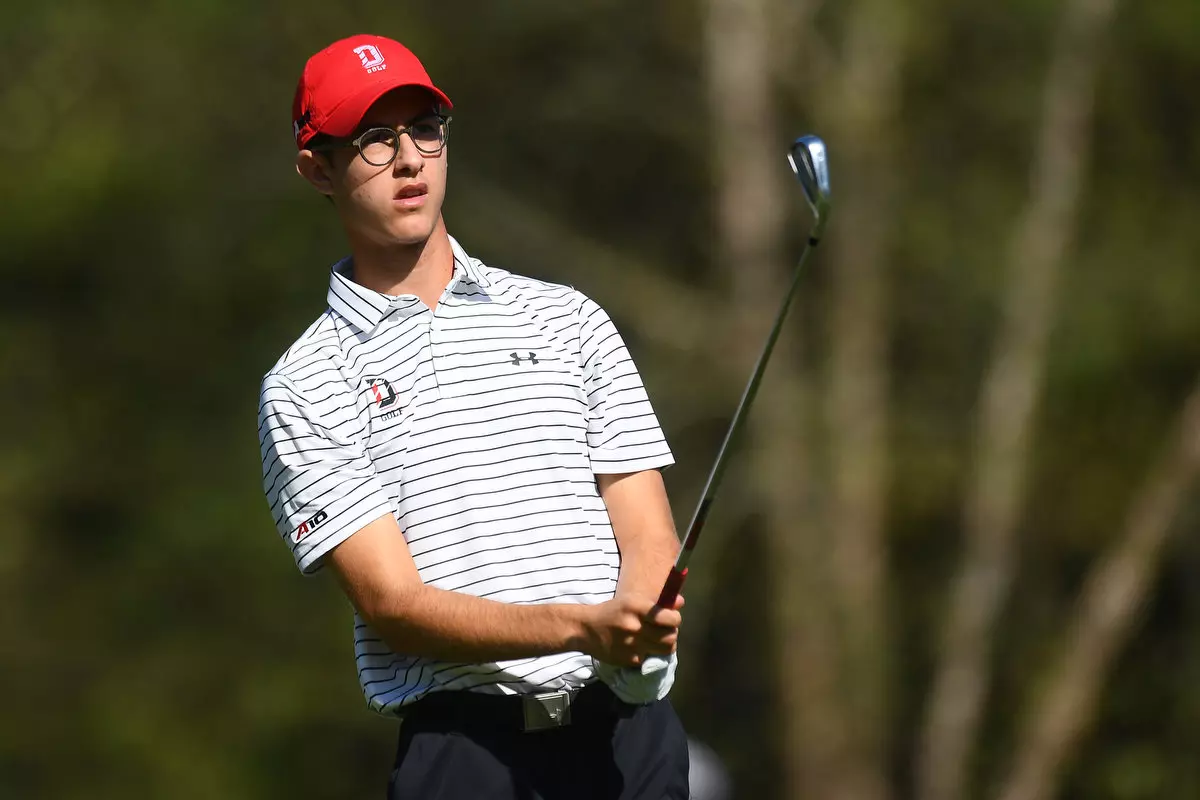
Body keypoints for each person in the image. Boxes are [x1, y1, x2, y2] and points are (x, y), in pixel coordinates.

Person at [257, 34, 690, 799]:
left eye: (424, 127)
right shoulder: (305, 383)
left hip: (628, 741)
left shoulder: (568, 318)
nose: (409, 160)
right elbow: (395, 607)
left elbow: (648, 529)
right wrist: (581, 626)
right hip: (467, 757)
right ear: (316, 168)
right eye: (373, 139)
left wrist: (638, 625)